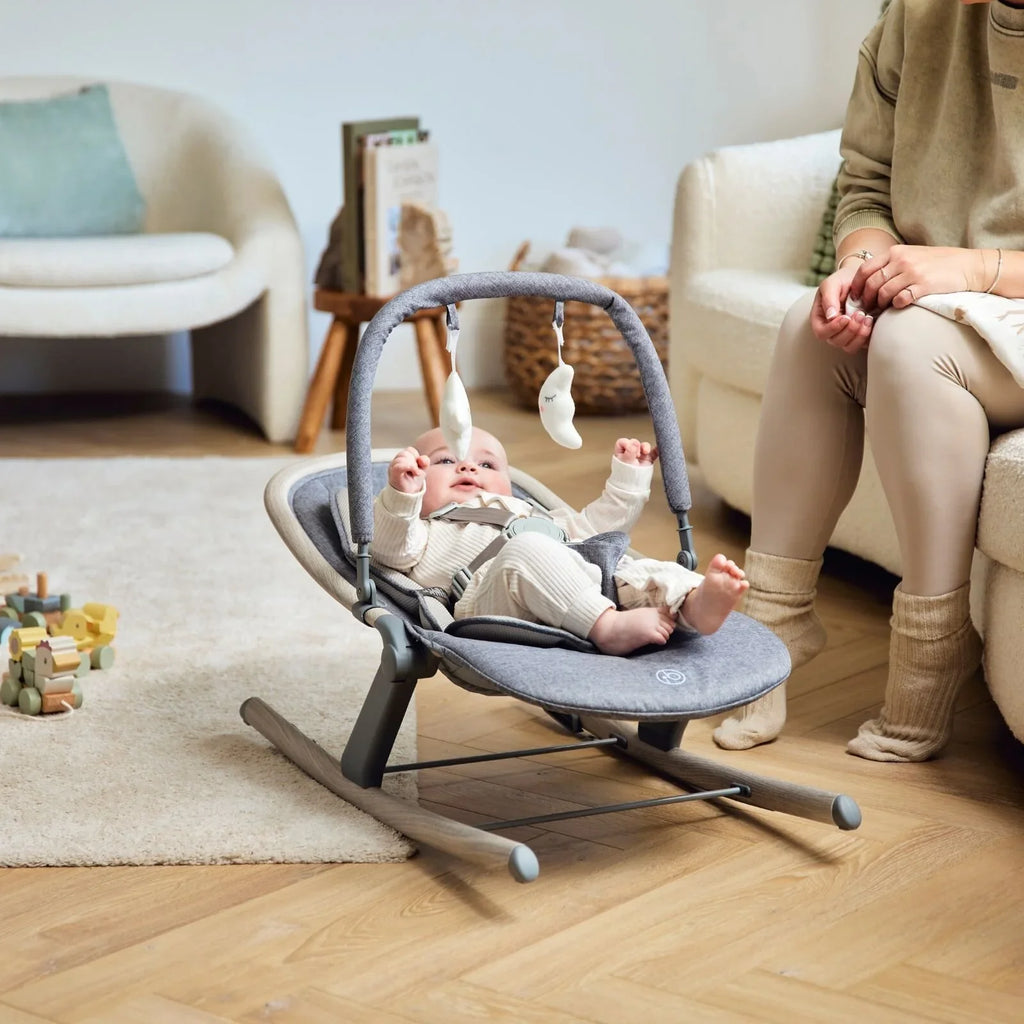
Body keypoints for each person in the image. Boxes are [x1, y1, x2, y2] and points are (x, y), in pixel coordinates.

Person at [712, 0, 1024, 762]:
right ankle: (775, 628)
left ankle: (932, 651)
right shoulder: (917, 15)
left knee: (912, 345)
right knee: (807, 330)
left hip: (989, 296)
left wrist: (978, 267)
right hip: (939, 297)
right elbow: (866, 182)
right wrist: (861, 264)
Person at [373, 426, 748, 656]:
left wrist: (629, 477)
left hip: (583, 581)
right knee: (526, 551)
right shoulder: (423, 528)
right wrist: (402, 496)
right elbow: (390, 549)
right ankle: (608, 628)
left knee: (639, 569)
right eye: (443, 461)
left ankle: (695, 604)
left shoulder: (533, 515)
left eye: (487, 465)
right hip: (488, 603)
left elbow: (597, 527)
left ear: (509, 484)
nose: (468, 467)